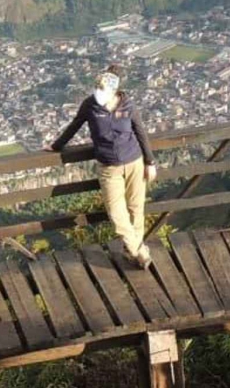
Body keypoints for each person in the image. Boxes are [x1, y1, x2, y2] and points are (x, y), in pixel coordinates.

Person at [49, 65, 158, 268]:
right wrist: (56, 146)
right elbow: (74, 125)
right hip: (109, 167)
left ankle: (130, 252)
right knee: (117, 214)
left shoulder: (128, 105)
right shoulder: (90, 105)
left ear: (115, 90)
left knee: (136, 209)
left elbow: (140, 132)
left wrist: (149, 162)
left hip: (134, 161)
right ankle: (139, 250)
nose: (99, 94)